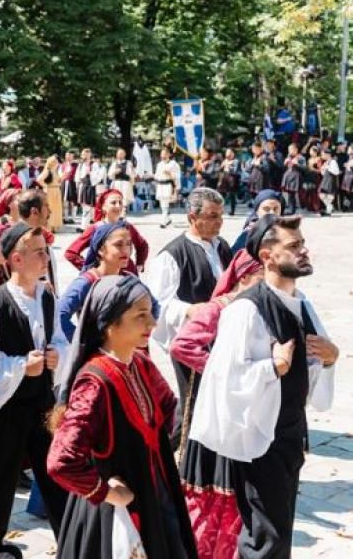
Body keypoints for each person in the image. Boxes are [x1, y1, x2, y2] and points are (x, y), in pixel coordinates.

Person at [189, 215, 337, 558]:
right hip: (259, 440)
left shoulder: (302, 304)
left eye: (302, 244)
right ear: (268, 256)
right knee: (264, 536)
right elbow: (226, 380)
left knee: (277, 530)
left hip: (290, 435)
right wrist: (272, 367)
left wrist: (329, 359)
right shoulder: (245, 310)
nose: (304, 251)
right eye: (294, 246)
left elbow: (314, 367)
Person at [47, 275, 197, 558]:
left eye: (150, 313)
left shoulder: (140, 363)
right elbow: (61, 461)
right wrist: (105, 492)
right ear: (110, 324)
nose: (152, 323)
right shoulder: (94, 382)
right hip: (116, 512)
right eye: (141, 316)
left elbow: (171, 412)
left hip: (155, 493)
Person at [0, 224, 69, 553]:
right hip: (7, 409)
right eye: (39, 252)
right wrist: (19, 366)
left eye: (46, 251)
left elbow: (59, 338)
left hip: (42, 403)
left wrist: (57, 355)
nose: (46, 258)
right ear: (16, 259)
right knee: (0, 481)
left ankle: (71, 542)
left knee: (56, 474)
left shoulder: (47, 296)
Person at [169, 250, 263, 559]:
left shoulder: (259, 309)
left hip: (245, 414)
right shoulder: (217, 309)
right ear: (245, 277)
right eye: (262, 278)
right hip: (216, 414)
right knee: (212, 491)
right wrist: (224, 373)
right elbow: (182, 345)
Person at [147, 187, 231, 447]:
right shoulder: (173, 255)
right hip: (191, 343)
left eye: (221, 215)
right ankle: (170, 456)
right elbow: (156, 302)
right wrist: (188, 309)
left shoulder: (221, 246)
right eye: (213, 216)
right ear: (193, 217)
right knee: (193, 404)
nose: (219, 222)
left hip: (223, 337)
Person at [58, 221, 133, 342]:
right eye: (118, 245)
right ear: (101, 250)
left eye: (128, 244)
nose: (126, 250)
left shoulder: (129, 280)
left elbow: (152, 311)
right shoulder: (86, 282)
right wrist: (82, 342)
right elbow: (58, 316)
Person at [64, 189, 149, 275]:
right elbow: (71, 253)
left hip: (127, 273)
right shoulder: (96, 228)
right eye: (113, 203)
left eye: (120, 202)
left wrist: (139, 264)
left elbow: (142, 245)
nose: (118, 206)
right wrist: (90, 269)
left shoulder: (127, 226)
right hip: (105, 276)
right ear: (104, 207)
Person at [230, 189, 285, 254]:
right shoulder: (249, 234)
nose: (272, 213)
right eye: (266, 209)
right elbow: (233, 256)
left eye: (276, 209)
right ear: (257, 211)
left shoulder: (286, 231)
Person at [154, 147, 182, 227]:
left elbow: (177, 177)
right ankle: (168, 218)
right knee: (162, 203)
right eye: (162, 154)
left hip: (168, 185)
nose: (163, 156)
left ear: (169, 154)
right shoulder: (159, 164)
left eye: (165, 154)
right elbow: (156, 176)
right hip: (160, 185)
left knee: (165, 203)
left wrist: (169, 173)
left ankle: (163, 222)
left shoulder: (173, 164)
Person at [37, 155, 64, 231]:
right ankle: (49, 226)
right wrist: (45, 186)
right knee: (50, 208)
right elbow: (39, 179)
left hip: (56, 190)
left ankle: (53, 226)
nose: (57, 163)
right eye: (55, 162)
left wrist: (61, 180)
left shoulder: (55, 171)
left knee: (56, 209)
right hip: (50, 191)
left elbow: (56, 181)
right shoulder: (48, 171)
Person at [318, 148, 341, 215]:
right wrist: (323, 169)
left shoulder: (333, 161)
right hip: (325, 179)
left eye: (323, 154)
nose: (322, 156)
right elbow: (323, 173)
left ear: (328, 154)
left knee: (330, 196)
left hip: (331, 180)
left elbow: (337, 172)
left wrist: (328, 168)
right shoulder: (326, 162)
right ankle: (329, 207)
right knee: (321, 194)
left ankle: (328, 210)